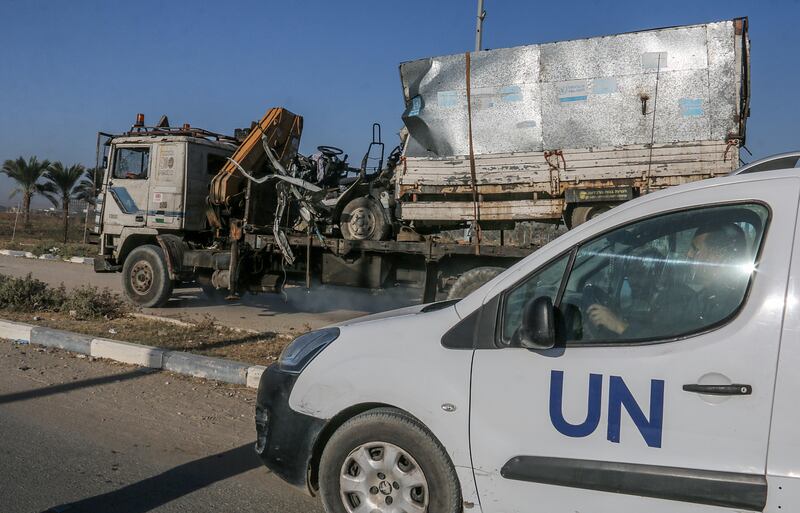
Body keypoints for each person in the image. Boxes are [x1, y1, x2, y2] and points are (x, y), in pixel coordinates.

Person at [587, 222, 748, 338]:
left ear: (716, 257)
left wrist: (620, 326)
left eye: (695, 249)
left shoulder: (723, 303)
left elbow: (676, 343)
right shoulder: (711, 295)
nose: (688, 255)